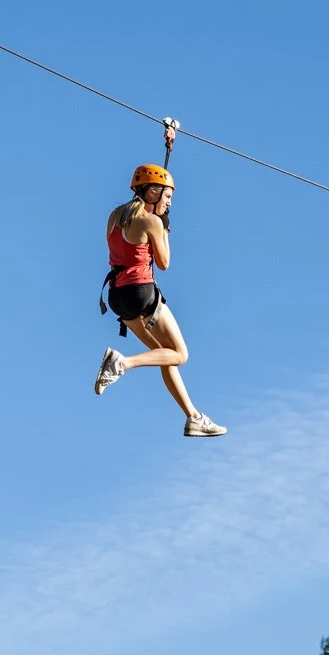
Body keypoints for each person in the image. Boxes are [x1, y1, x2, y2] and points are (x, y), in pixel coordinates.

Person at [94, 144, 226, 438]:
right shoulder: (151, 221)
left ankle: (193, 417)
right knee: (179, 354)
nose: (169, 203)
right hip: (142, 293)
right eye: (166, 196)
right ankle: (122, 363)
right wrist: (164, 228)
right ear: (151, 193)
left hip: (118, 296)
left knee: (163, 354)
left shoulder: (115, 216)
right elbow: (164, 262)